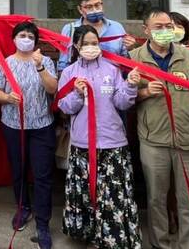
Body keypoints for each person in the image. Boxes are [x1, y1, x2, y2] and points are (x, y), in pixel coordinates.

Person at [130, 8, 189, 249]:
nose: (165, 31)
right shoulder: (133, 57)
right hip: (153, 139)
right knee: (156, 199)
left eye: (168, 26)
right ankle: (160, 244)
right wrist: (143, 93)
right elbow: (124, 98)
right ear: (146, 30)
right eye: (158, 27)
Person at [58, 25, 142, 248]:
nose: (90, 47)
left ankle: (110, 238)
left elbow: (122, 102)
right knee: (86, 195)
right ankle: (88, 235)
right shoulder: (69, 73)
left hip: (112, 142)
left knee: (111, 197)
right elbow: (64, 107)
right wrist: (76, 93)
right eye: (85, 43)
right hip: (82, 143)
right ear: (76, 45)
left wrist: (131, 86)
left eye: (94, 43)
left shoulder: (112, 69)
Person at [0, 21, 58, 249]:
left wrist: (40, 68)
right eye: (22, 35)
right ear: (14, 39)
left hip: (41, 126)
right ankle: (23, 207)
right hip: (13, 125)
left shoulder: (45, 61)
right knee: (18, 170)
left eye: (30, 35)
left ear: (36, 40)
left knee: (42, 175)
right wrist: (7, 98)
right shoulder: (6, 64)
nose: (26, 39)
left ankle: (43, 222)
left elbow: (52, 89)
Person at [57, 0, 136, 72]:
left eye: (97, 5)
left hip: (112, 81)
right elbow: (63, 64)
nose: (94, 10)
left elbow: (126, 62)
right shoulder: (70, 29)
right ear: (80, 9)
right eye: (89, 7)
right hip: (80, 81)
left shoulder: (116, 27)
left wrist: (131, 49)